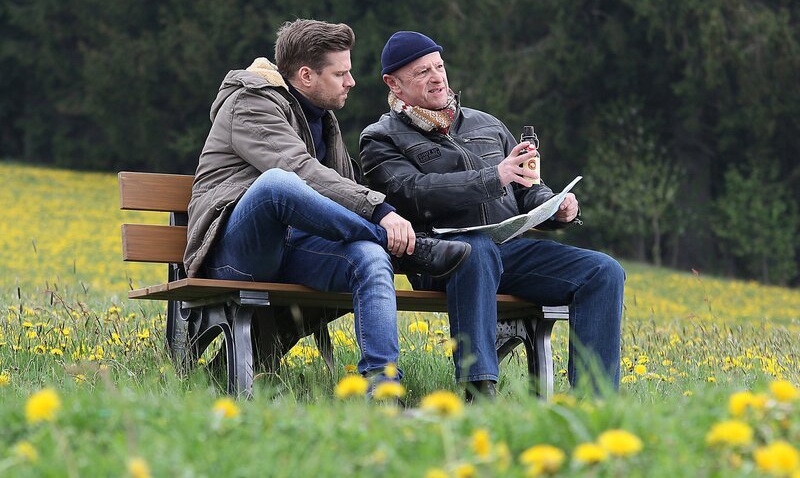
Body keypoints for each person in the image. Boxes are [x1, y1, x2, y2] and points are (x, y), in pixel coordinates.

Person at [183, 20, 471, 386]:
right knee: (276, 184)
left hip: (292, 251)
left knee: (369, 256)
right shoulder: (250, 103)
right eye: (341, 74)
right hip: (234, 253)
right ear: (306, 75)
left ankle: (382, 390)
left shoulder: (324, 120)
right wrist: (381, 215)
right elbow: (298, 170)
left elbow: (342, 189)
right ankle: (404, 250)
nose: (351, 82)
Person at [359, 31, 625, 398]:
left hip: (507, 252)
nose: (437, 77)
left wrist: (556, 207)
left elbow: (526, 186)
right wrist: (491, 177)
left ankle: (597, 400)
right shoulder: (380, 138)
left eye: (439, 66)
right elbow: (413, 193)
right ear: (394, 84)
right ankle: (479, 389)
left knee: (603, 271)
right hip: (439, 257)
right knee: (477, 251)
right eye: (422, 72)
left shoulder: (486, 124)